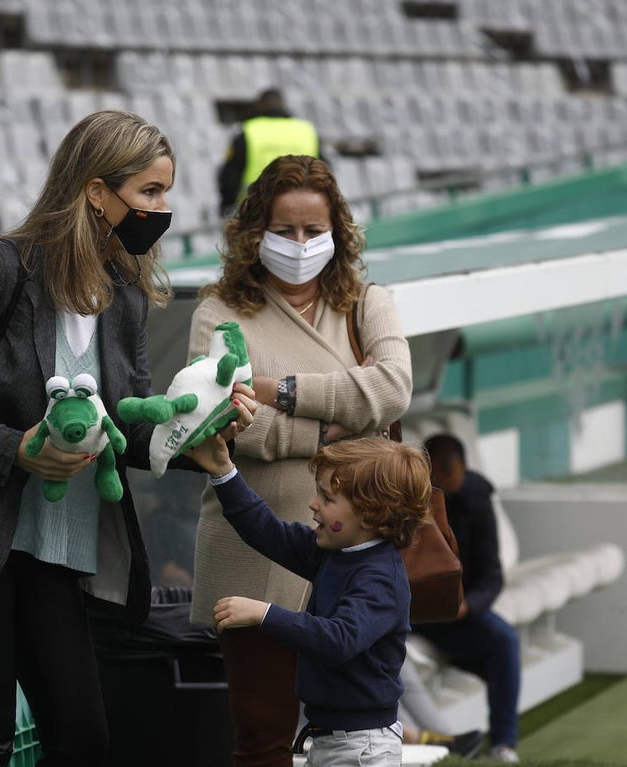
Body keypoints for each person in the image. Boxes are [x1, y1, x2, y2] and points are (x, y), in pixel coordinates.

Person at [0, 110, 256, 767]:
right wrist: (15, 447)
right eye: (149, 191)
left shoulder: (125, 293)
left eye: (166, 192)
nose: (162, 209)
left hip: (57, 549)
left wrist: (191, 439)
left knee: (82, 739)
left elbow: (125, 423)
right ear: (95, 191)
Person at [190, 154, 413, 766]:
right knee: (263, 739)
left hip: (356, 547)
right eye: (283, 229)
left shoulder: (368, 301)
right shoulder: (219, 311)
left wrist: (279, 391)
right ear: (254, 231)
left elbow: (393, 389)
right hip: (254, 546)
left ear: (336, 232)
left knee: (350, 725)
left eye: (313, 230)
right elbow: (224, 420)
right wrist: (335, 429)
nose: (299, 243)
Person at [186, 435, 431, 766]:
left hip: (361, 748)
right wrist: (223, 472)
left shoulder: (380, 578)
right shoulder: (335, 553)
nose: (314, 504)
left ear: (371, 515)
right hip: (335, 740)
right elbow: (267, 531)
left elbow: (339, 639)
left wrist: (265, 614)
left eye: (328, 498)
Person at [419, 433, 522, 763]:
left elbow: (492, 575)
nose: (442, 483)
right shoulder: (410, 498)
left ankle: (503, 743)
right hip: (417, 609)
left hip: (462, 609)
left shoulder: (477, 496)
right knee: (497, 654)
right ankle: (444, 743)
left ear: (462, 467)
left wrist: (468, 605)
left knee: (504, 641)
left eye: (449, 473)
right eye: (435, 476)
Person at [217, 88, 321, 217]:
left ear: (259, 106)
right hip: (304, 208)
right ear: (283, 105)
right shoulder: (306, 131)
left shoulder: (249, 130)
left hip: (258, 210)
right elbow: (323, 173)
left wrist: (227, 208)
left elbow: (230, 176)